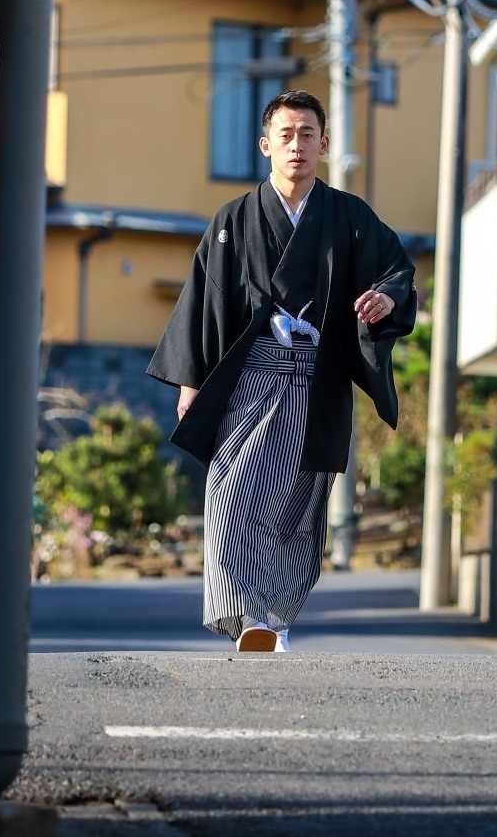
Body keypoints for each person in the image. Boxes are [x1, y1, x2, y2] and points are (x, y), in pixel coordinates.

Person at [149, 89, 417, 652]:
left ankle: (275, 619)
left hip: (316, 382)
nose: (297, 145)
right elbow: (206, 302)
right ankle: (248, 616)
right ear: (265, 144)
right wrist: (191, 381)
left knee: (299, 506)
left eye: (308, 135)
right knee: (232, 498)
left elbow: (397, 268)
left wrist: (386, 301)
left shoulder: (349, 216)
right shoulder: (233, 220)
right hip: (248, 380)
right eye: (286, 135)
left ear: (324, 144)